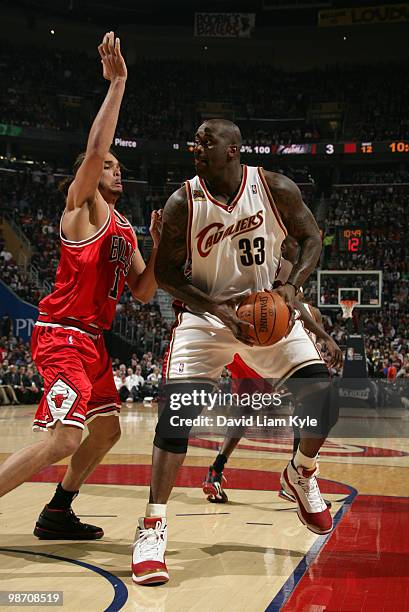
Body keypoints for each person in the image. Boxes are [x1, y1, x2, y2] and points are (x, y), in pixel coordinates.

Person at [132, 118, 338, 586]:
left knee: (323, 396)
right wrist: (218, 310)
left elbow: (312, 238)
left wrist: (290, 286)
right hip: (206, 318)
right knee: (175, 419)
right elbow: (165, 275)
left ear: (233, 150)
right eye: (196, 139)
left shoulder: (274, 188)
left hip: (266, 310)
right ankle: (152, 525)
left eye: (207, 141)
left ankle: (301, 473)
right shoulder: (184, 200)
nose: (196, 146)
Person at [0, 32, 161, 540]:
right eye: (109, 165)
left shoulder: (124, 228)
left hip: (93, 343)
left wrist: (159, 246)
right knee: (68, 435)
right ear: (88, 178)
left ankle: (57, 510)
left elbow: (142, 291)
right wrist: (116, 85)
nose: (116, 168)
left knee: (108, 429)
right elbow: (95, 148)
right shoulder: (81, 209)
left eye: (118, 166)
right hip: (62, 334)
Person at [202, 240, 343, 505]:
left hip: (255, 344)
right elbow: (295, 306)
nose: (290, 244)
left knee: (245, 412)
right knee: (306, 407)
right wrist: (325, 337)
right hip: (259, 341)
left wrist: (322, 336)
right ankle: (296, 476)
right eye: (287, 240)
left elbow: (297, 307)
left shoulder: (284, 273)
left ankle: (217, 469)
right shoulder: (270, 261)